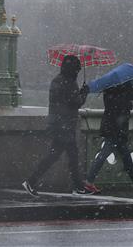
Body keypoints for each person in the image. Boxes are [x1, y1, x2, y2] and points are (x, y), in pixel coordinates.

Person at [23, 55, 91, 196]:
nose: (77, 72)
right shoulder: (69, 82)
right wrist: (84, 93)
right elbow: (76, 103)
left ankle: (76, 186)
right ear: (73, 69)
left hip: (57, 123)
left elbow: (64, 101)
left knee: (61, 155)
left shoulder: (57, 80)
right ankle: (32, 181)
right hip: (65, 125)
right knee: (67, 156)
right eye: (77, 70)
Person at [82, 78, 133, 194]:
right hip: (118, 127)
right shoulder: (125, 86)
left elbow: (113, 105)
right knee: (106, 154)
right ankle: (89, 181)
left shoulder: (109, 87)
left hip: (109, 124)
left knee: (124, 155)